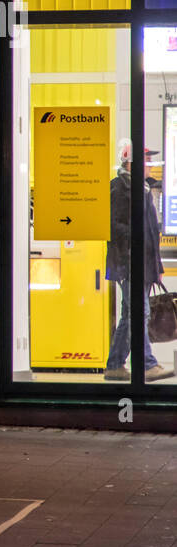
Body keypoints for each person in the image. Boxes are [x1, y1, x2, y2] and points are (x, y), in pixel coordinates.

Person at [105, 141, 174, 382]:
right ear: (130, 163)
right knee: (140, 312)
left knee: (130, 315)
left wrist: (158, 267)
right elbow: (114, 228)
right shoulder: (119, 189)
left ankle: (114, 365)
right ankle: (146, 364)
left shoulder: (141, 189)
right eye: (144, 161)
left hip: (143, 264)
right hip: (128, 264)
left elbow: (151, 234)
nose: (149, 166)